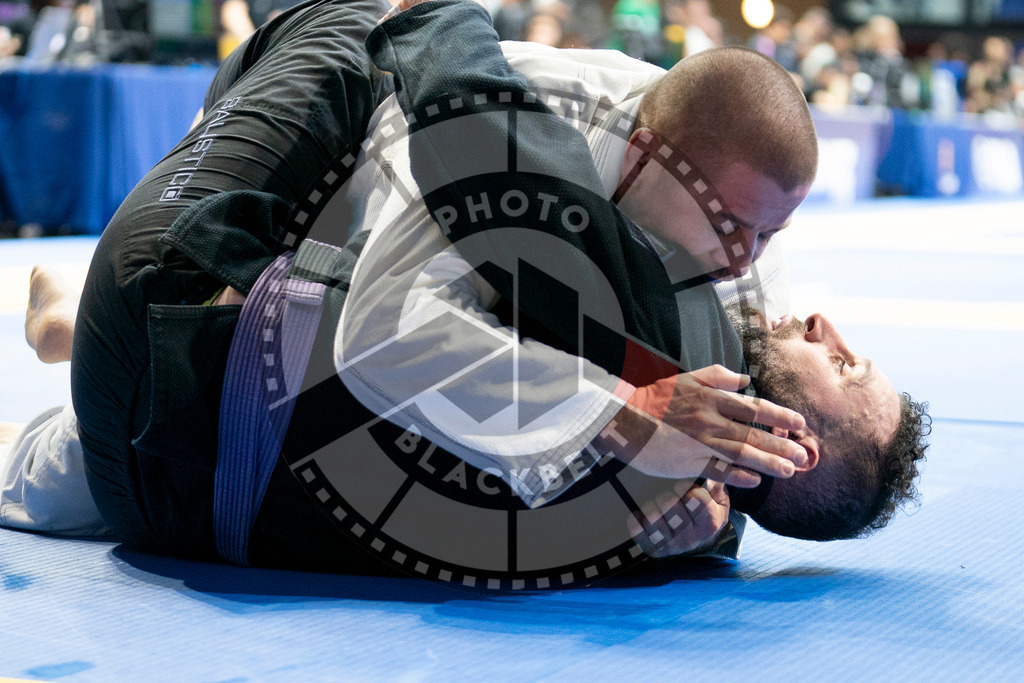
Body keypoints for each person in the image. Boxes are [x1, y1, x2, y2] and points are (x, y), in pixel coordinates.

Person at [2, 0, 925, 577]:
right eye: (740, 227)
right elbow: (377, 335)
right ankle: (77, 316)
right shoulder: (504, 134)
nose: (748, 258)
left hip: (193, 421)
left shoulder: (725, 294)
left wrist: (664, 506)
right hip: (347, 91)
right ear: (652, 157)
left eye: (845, 363)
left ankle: (64, 327)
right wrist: (631, 408)